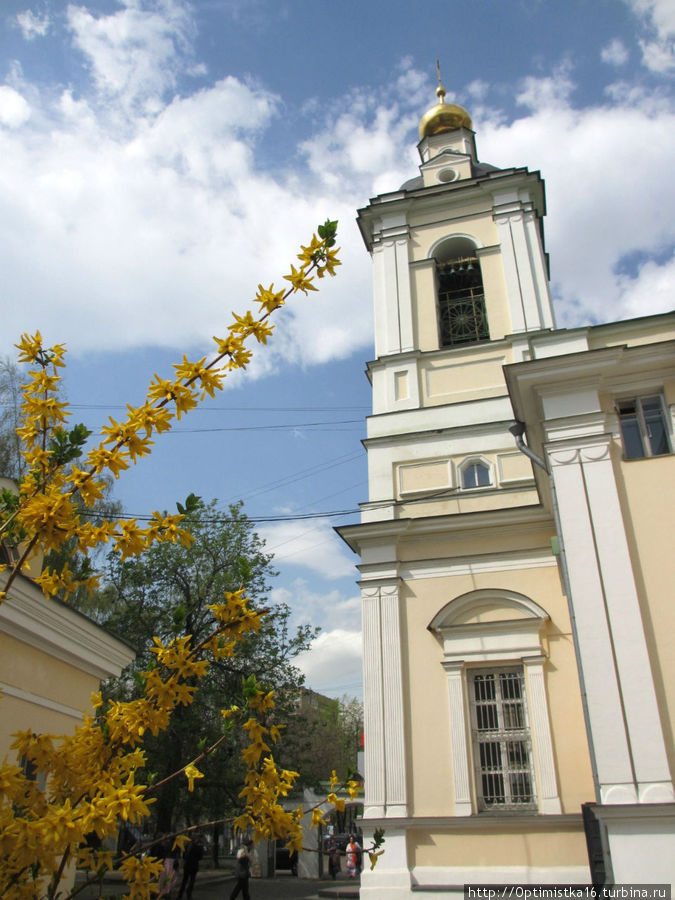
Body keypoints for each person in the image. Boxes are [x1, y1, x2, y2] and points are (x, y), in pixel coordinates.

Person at [177, 834, 204, 900]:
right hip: (194, 866)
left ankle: (180, 895)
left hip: (187, 865)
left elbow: (184, 856)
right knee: (191, 881)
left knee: (184, 881)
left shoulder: (187, 846)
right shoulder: (198, 847)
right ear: (196, 840)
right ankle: (188, 894)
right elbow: (200, 857)